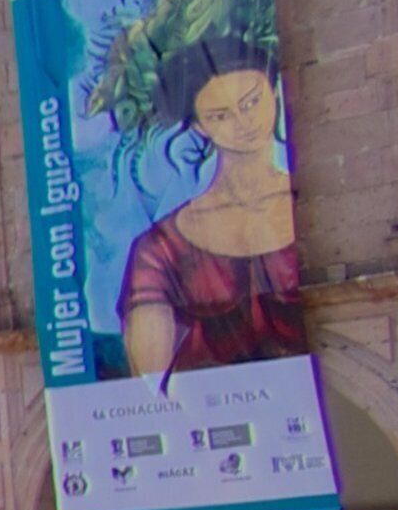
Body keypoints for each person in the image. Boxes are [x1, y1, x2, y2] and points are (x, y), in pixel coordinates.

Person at [117, 39, 303, 380]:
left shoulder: (309, 206)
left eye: (252, 101)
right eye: (220, 115)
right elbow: (150, 378)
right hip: (205, 417)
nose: (243, 122)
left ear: (273, 90)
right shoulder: (159, 248)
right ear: (201, 125)